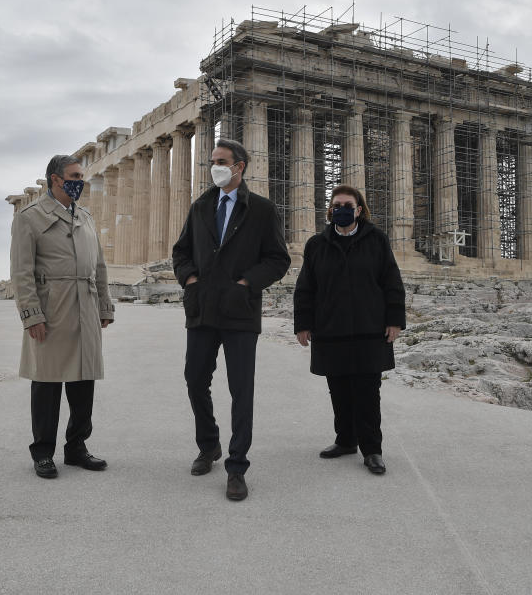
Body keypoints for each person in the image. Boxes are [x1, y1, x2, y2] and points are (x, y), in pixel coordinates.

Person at [171, 138, 290, 501]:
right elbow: (181, 252)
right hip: (203, 309)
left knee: (242, 390)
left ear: (239, 166)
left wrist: (245, 284)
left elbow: (278, 259)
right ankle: (209, 446)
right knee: (195, 380)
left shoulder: (262, 210)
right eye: (212, 161)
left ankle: (236, 466)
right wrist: (190, 279)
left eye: (221, 161)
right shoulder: (200, 206)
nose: (214, 167)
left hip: (240, 311)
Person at [10, 154, 115, 479]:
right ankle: (43, 452)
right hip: (52, 308)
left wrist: (104, 305)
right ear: (55, 178)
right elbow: (21, 272)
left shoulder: (85, 216)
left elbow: (98, 265)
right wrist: (31, 315)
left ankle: (77, 447)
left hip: (85, 304)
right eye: (74, 175)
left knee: (84, 381)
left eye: (81, 175)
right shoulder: (29, 217)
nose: (80, 181)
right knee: (47, 382)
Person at [293, 185, 405, 475]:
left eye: (348, 205)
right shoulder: (317, 244)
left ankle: (372, 450)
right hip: (331, 329)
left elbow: (391, 281)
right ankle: (345, 440)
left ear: (358, 210)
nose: (341, 209)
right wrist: (303, 324)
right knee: (339, 390)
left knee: (367, 392)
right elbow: (306, 288)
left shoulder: (377, 240)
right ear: (330, 209)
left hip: (369, 329)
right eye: (336, 204)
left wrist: (394, 320)